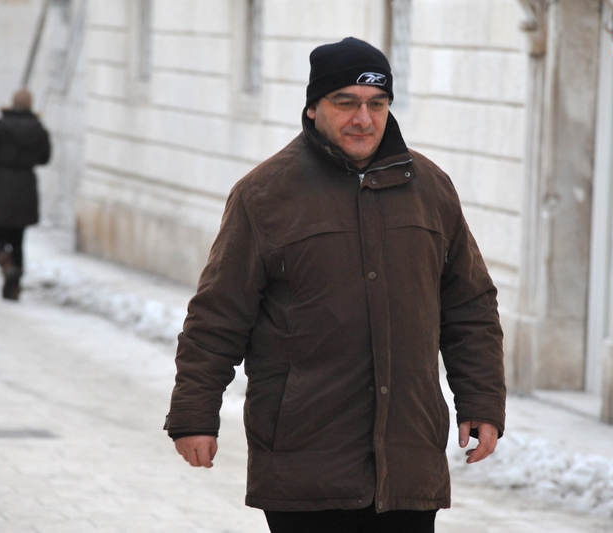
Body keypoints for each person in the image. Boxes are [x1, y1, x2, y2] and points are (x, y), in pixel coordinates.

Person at [165, 37, 506, 533]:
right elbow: (217, 316)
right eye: (345, 103)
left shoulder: (430, 189)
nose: (363, 119)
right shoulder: (265, 195)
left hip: (407, 462)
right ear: (313, 108)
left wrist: (481, 400)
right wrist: (195, 415)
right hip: (305, 462)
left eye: (377, 104)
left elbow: (469, 306)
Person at [0, 88, 51, 300]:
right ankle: (14, 285)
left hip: (2, 184)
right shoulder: (39, 129)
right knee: (18, 238)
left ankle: (7, 266)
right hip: (26, 185)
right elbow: (45, 158)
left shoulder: (1, 125)